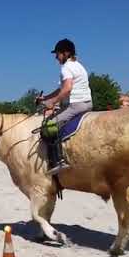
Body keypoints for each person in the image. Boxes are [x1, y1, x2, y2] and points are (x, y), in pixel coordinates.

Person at [36, 38, 93, 175]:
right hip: (87, 103)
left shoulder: (66, 67)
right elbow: (61, 89)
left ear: (66, 53)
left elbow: (67, 89)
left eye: (58, 54)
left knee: (48, 128)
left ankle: (58, 161)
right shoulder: (78, 65)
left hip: (76, 104)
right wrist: (45, 98)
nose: (56, 57)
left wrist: (53, 102)